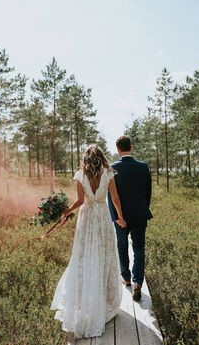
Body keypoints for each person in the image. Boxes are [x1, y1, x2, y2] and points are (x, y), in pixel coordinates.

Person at [50, 145, 126, 339]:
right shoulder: (108, 172)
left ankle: (86, 300)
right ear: (101, 158)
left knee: (84, 257)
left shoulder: (80, 174)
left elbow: (80, 201)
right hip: (102, 216)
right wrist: (121, 217)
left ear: (86, 159)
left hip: (86, 219)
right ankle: (104, 301)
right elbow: (115, 198)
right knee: (104, 257)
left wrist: (66, 210)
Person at [108, 135, 152, 301]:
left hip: (121, 217)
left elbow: (111, 197)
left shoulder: (112, 168)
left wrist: (115, 216)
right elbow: (148, 193)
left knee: (122, 246)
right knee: (139, 248)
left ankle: (126, 278)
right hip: (140, 215)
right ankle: (138, 283)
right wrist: (143, 209)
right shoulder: (143, 167)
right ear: (131, 147)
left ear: (118, 149)